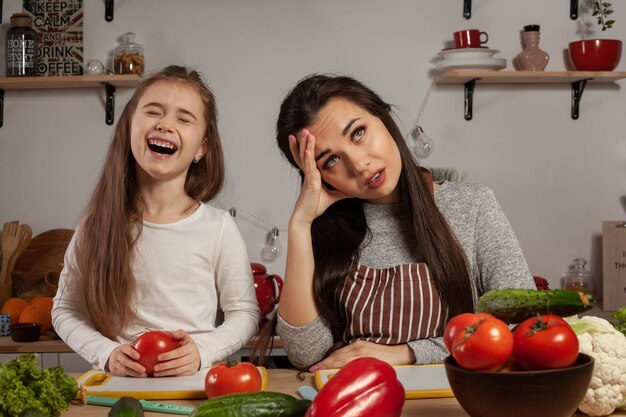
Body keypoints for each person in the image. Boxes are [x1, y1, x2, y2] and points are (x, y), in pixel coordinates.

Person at [271, 74, 535, 371]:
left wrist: (407, 352)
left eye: (358, 133)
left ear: (383, 116)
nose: (358, 164)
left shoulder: (471, 205)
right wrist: (300, 224)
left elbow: (525, 324)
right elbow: (307, 355)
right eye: (330, 161)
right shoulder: (322, 232)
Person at [52, 65, 260, 377]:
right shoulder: (96, 225)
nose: (164, 125)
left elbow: (245, 313)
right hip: (118, 388)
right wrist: (106, 352)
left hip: (194, 386)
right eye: (153, 112)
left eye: (183, 118)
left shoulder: (218, 228)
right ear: (129, 128)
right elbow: (65, 310)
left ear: (201, 147)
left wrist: (203, 351)